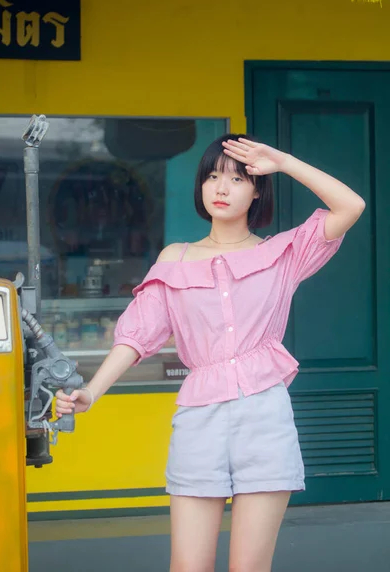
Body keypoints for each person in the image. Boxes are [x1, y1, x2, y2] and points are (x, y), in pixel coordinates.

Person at [55, 134, 365, 572]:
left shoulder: (281, 254)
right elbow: (137, 335)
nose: (221, 188)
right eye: (213, 176)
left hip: (265, 420)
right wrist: (92, 391)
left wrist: (281, 160)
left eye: (237, 179)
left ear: (257, 188)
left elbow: (350, 207)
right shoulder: (176, 258)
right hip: (199, 421)